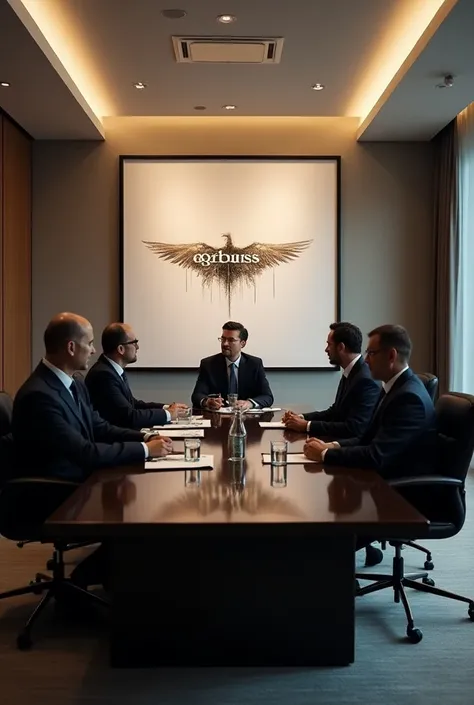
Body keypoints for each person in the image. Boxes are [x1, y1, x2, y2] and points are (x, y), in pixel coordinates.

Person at [12, 313, 173, 483]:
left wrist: (146, 437)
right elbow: (84, 452)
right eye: (89, 343)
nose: (94, 350)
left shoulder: (76, 382)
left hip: (85, 477)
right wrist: (145, 450)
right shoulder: (38, 396)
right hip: (61, 492)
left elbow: (99, 427)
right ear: (71, 348)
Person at [303, 324, 436, 478]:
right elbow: (366, 439)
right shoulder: (393, 387)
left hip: (400, 491)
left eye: (371, 353)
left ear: (391, 356)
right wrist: (331, 446)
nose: (365, 360)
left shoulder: (409, 399)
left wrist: (325, 454)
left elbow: (376, 455)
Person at [283, 322, 379, 438]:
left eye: (329, 344)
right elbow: (335, 412)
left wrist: (306, 425)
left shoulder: (365, 380)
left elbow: (355, 428)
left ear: (341, 347)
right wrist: (301, 417)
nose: (326, 349)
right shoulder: (351, 371)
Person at [85, 322, 187, 429]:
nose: (137, 347)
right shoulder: (103, 375)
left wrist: (167, 408)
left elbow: (133, 404)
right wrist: (168, 414)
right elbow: (129, 417)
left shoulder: (112, 370)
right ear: (121, 349)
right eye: (134, 343)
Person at [191, 321, 274, 410]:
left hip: (246, 418)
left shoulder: (254, 364)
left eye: (231, 340)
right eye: (223, 339)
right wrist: (207, 402)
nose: (225, 343)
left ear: (242, 343)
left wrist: (249, 403)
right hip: (218, 419)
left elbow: (267, 396)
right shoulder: (208, 364)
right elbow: (197, 395)